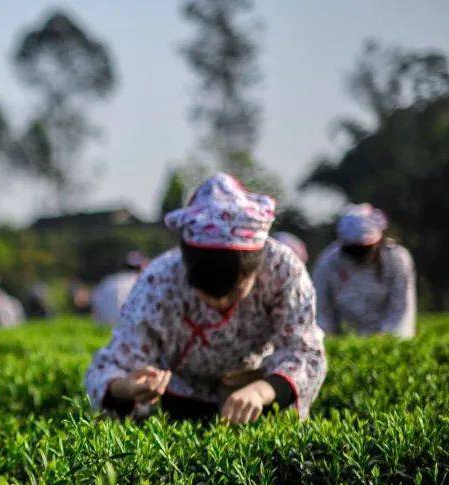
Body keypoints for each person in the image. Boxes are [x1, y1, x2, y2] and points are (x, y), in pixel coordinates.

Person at [84, 173, 327, 423]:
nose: (219, 304)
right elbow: (113, 363)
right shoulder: (159, 280)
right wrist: (130, 387)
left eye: (235, 291)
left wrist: (260, 391)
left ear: (256, 267)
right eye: (206, 293)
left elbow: (304, 351)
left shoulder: (283, 270)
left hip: (260, 397)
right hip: (182, 404)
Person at [311, 204, 416, 339]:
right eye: (353, 249)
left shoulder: (397, 259)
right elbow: (321, 308)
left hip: (386, 337)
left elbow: (401, 308)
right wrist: (327, 337)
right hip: (347, 336)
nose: (359, 254)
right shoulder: (328, 262)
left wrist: (387, 336)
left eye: (364, 248)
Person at [92, 250, 148, 327]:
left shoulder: (107, 281)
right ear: (142, 266)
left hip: (102, 329)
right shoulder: (143, 283)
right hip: (130, 329)